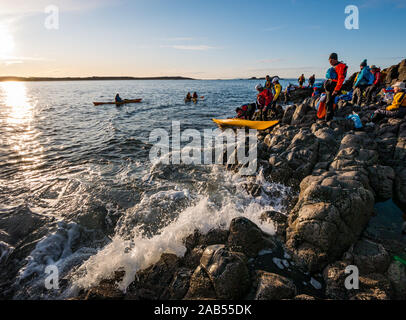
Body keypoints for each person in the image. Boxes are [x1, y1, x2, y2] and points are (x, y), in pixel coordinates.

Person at [324, 53, 348, 121]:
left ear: (335, 59)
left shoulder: (340, 66)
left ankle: (328, 118)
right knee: (328, 101)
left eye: (331, 60)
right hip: (330, 86)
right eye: (329, 60)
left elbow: (340, 79)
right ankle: (329, 116)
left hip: (333, 86)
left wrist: (336, 90)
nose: (330, 62)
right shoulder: (335, 66)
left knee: (329, 102)